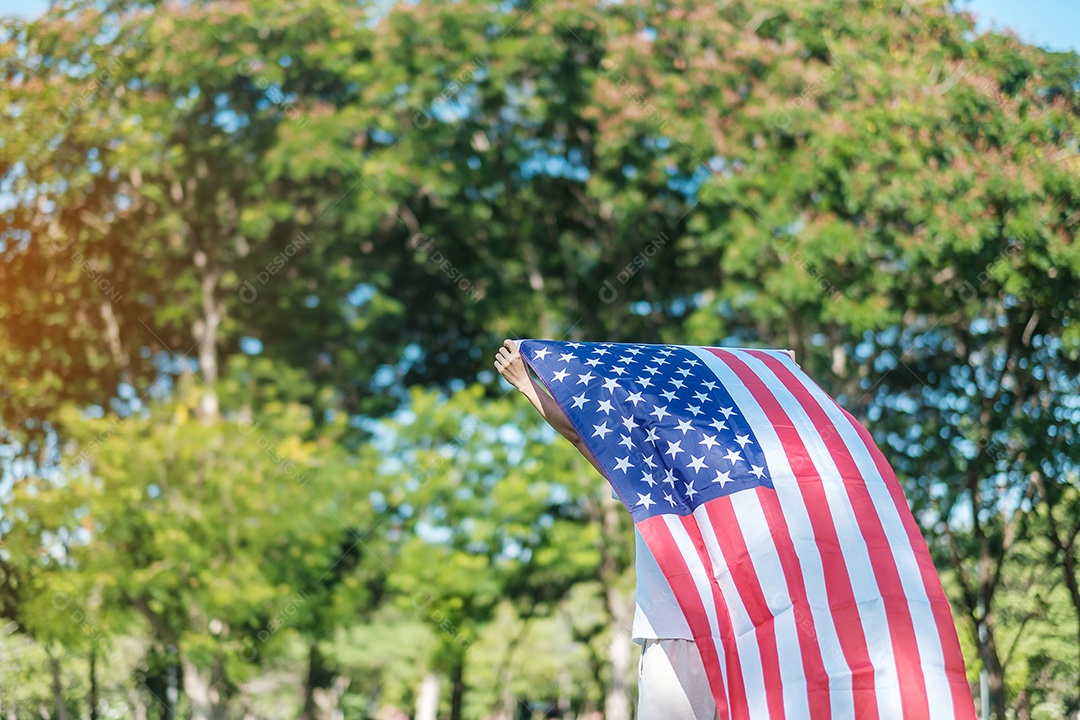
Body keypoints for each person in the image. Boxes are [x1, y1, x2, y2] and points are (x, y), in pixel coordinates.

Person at [494, 338, 719, 720]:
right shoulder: (738, 472)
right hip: (743, 630)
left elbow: (580, 436)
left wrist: (527, 384)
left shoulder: (653, 476)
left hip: (674, 630)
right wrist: (788, 382)